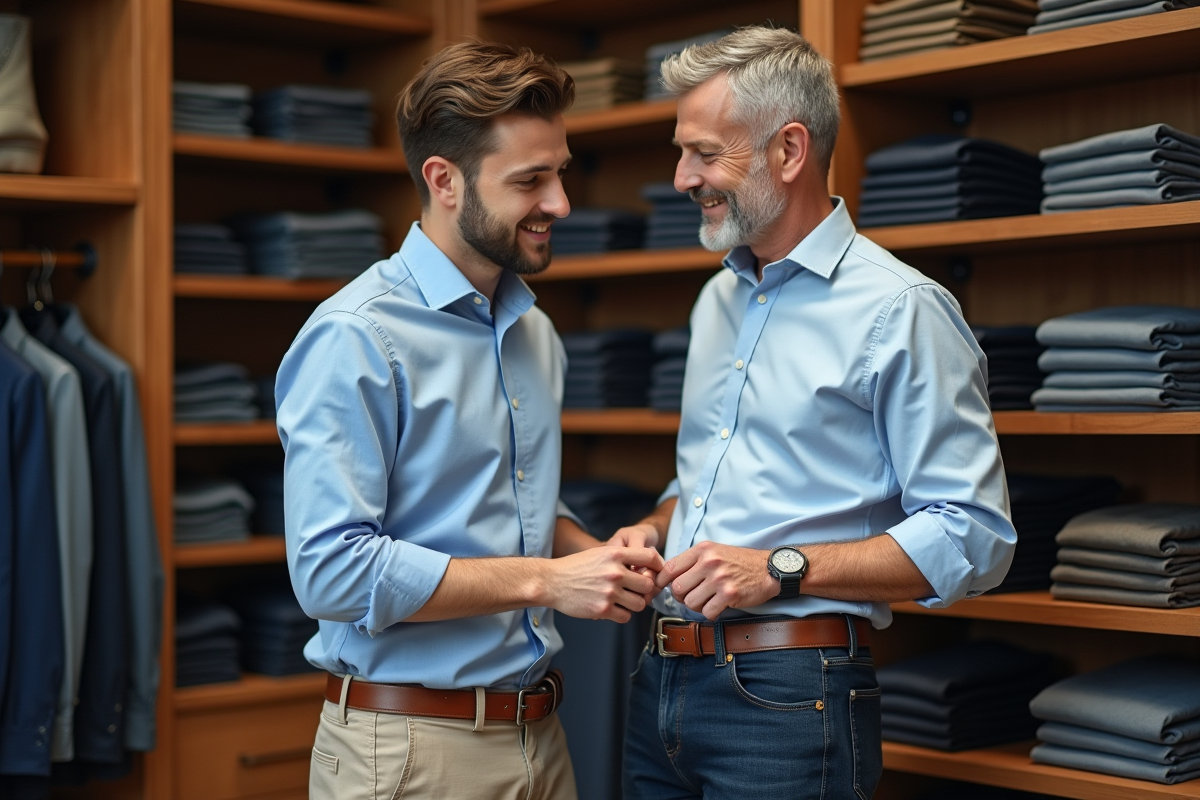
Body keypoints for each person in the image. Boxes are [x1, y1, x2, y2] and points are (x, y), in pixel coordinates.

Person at [612, 27, 1017, 800]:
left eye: (702, 153)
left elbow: (975, 534)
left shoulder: (901, 310)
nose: (679, 177)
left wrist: (779, 568)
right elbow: (713, 480)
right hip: (658, 678)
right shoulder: (715, 299)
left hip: (790, 694)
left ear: (788, 151)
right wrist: (657, 527)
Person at [275, 42, 663, 800]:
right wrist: (549, 581)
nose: (560, 203)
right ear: (443, 181)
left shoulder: (532, 331)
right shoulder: (355, 336)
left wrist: (597, 559)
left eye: (560, 171)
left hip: (540, 738)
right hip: (409, 756)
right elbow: (331, 571)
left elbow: (508, 508)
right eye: (530, 180)